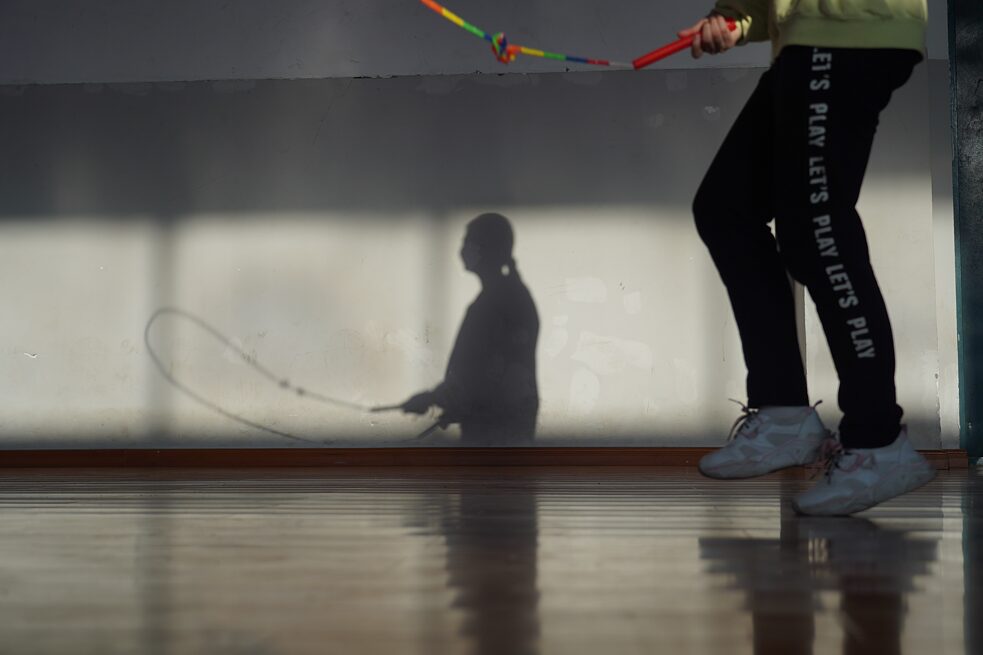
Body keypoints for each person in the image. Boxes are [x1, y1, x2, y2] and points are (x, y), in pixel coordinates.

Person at [686, 1, 936, 514]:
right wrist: (738, 18)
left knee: (817, 230)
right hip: (808, 36)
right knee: (726, 208)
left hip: (847, 27)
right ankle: (783, 415)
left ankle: (876, 440)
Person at [402, 213, 539, 444]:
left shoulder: (498, 302)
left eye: (467, 242)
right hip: (500, 429)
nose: (461, 249)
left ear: (485, 248)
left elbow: (483, 375)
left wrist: (433, 398)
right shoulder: (506, 296)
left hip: (497, 437)